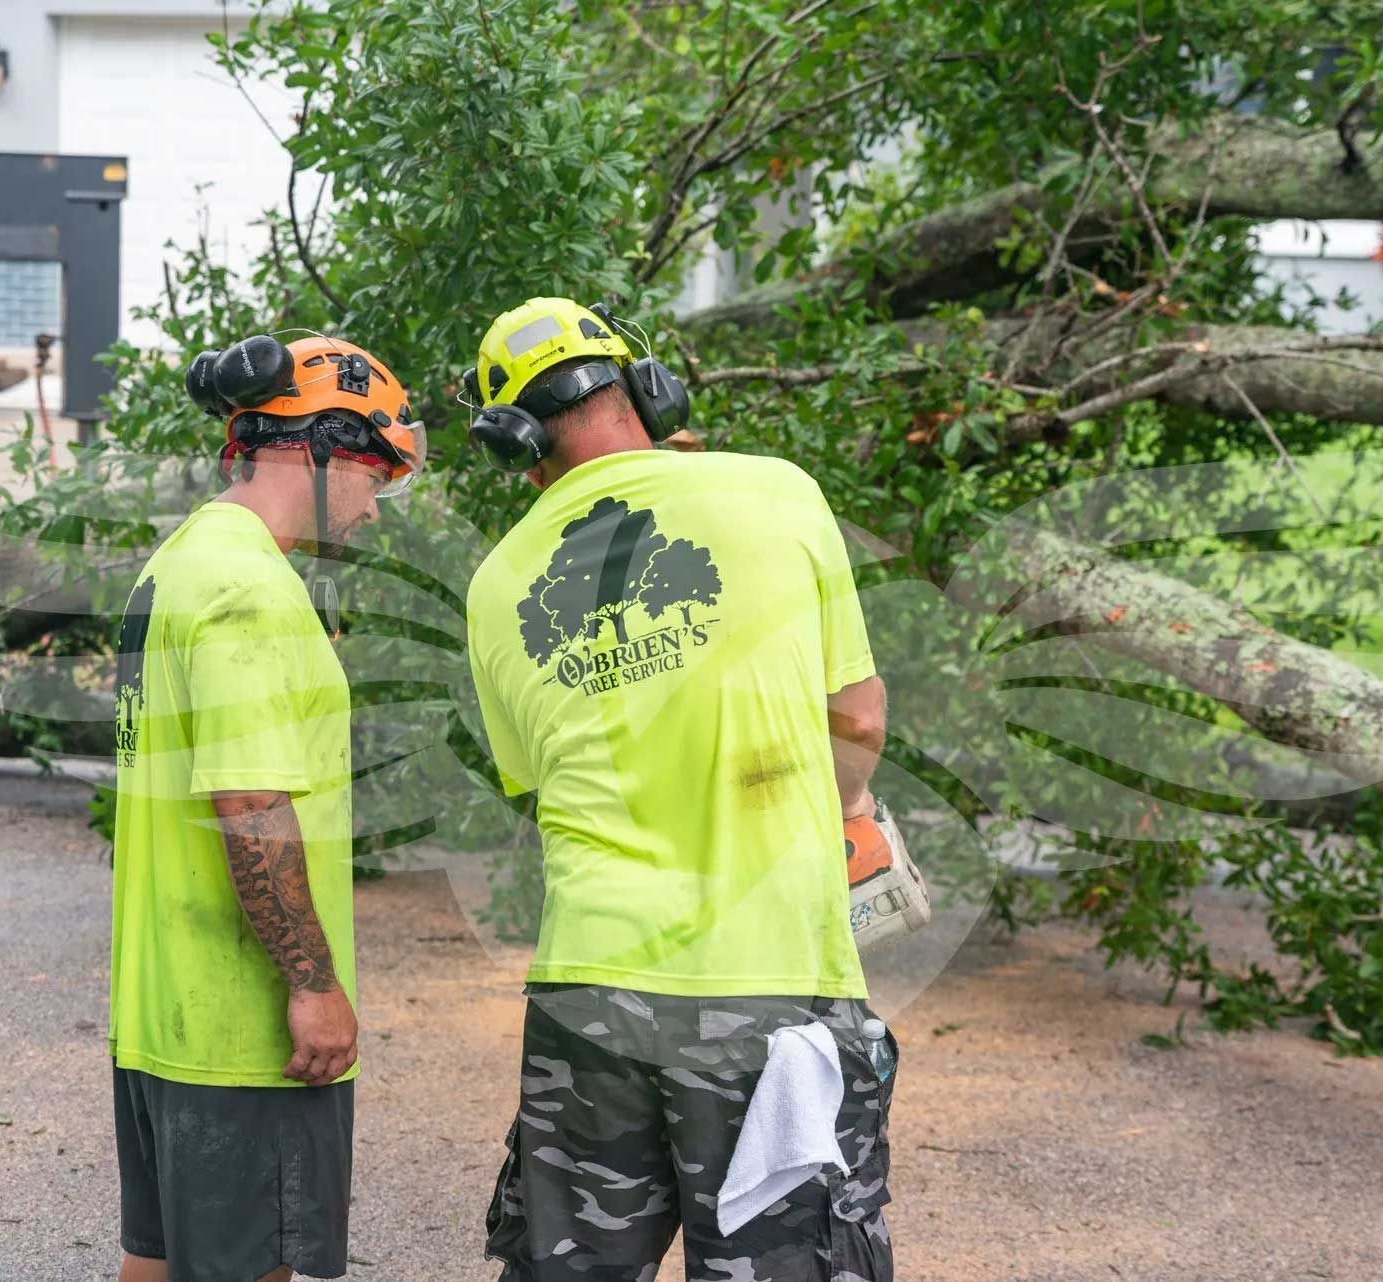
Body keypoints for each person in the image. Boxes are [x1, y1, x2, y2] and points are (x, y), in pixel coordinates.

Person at [461, 298, 897, 1282]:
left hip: (590, 988)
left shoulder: (496, 584)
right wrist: (844, 812)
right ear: (649, 390)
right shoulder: (777, 494)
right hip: (772, 980)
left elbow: (541, 787)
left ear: (516, 443)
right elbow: (858, 718)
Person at [108, 335, 424, 1282]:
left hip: (161, 1013)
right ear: (316, 452)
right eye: (376, 472)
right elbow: (250, 801)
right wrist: (313, 984)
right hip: (238, 1033)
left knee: (158, 1264)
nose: (374, 505)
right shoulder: (250, 590)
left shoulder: (180, 562)